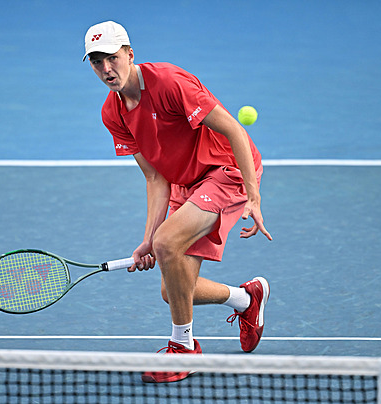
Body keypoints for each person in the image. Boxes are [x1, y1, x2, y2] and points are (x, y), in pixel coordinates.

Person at [83, 21, 272, 383]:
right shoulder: (113, 113)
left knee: (168, 244)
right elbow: (156, 178)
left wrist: (254, 195)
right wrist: (147, 238)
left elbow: (234, 129)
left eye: (112, 58)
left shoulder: (170, 83)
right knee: (173, 291)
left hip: (225, 171)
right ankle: (248, 300)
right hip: (184, 182)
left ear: (129, 54)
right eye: (96, 62)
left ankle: (183, 349)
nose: (106, 69)